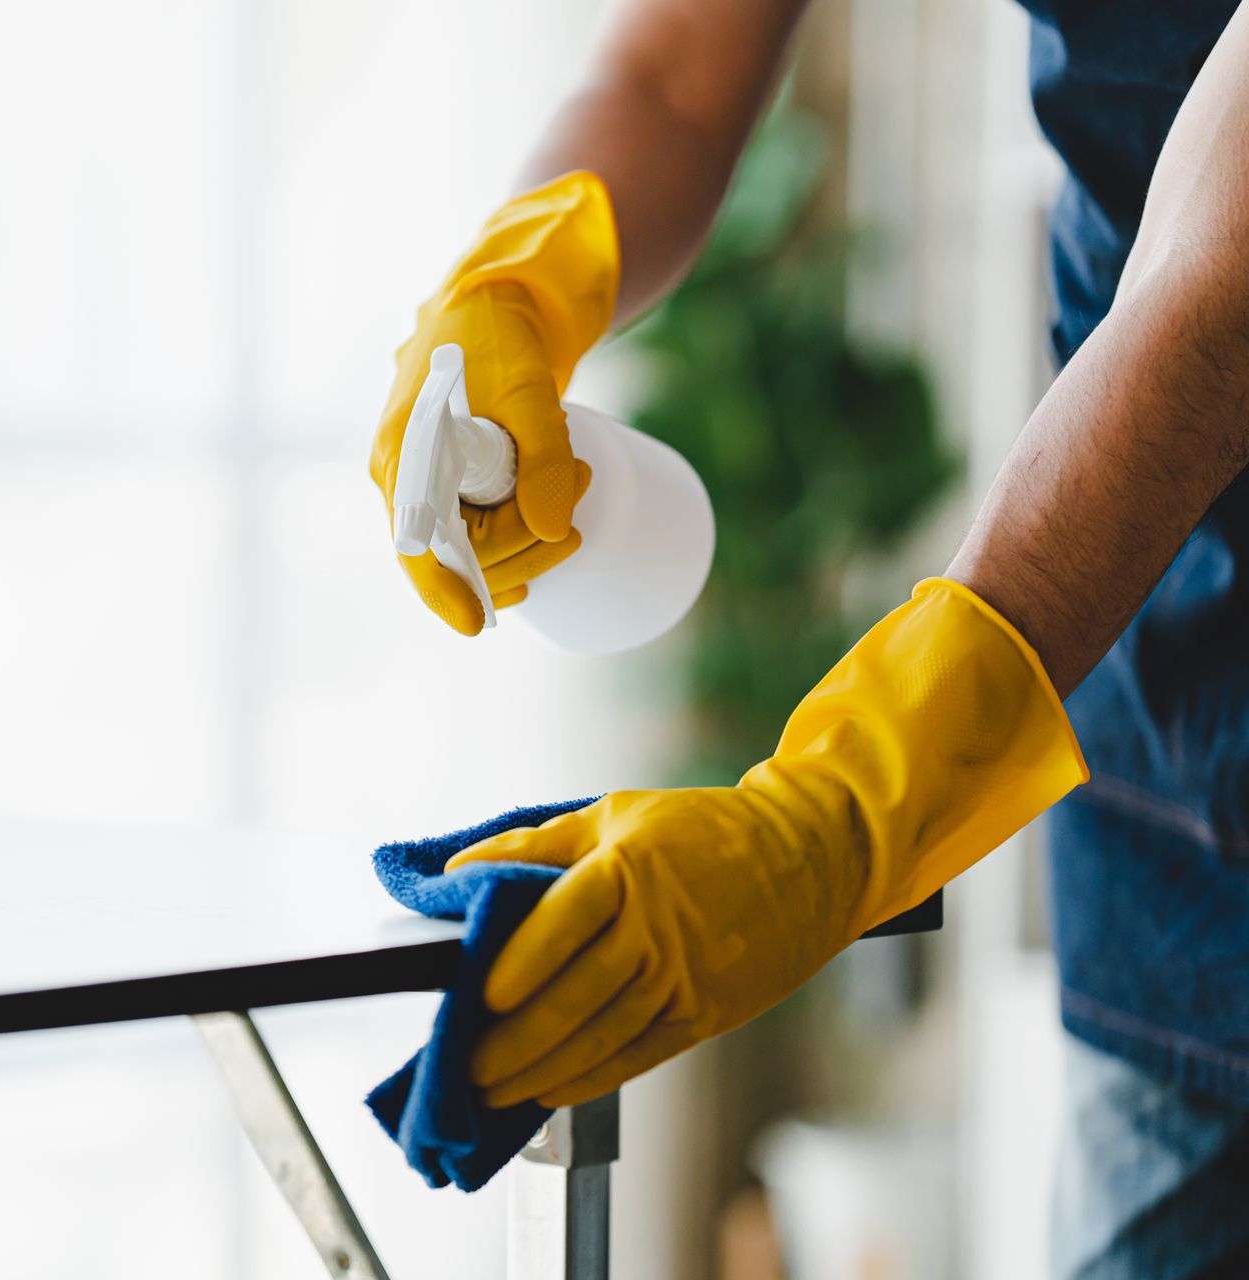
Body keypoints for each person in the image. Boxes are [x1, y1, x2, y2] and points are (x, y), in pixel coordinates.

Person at [368, 1, 1249, 1274]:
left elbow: (1216, 285)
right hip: (1164, 718)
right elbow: (672, 73)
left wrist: (839, 810)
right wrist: (513, 284)